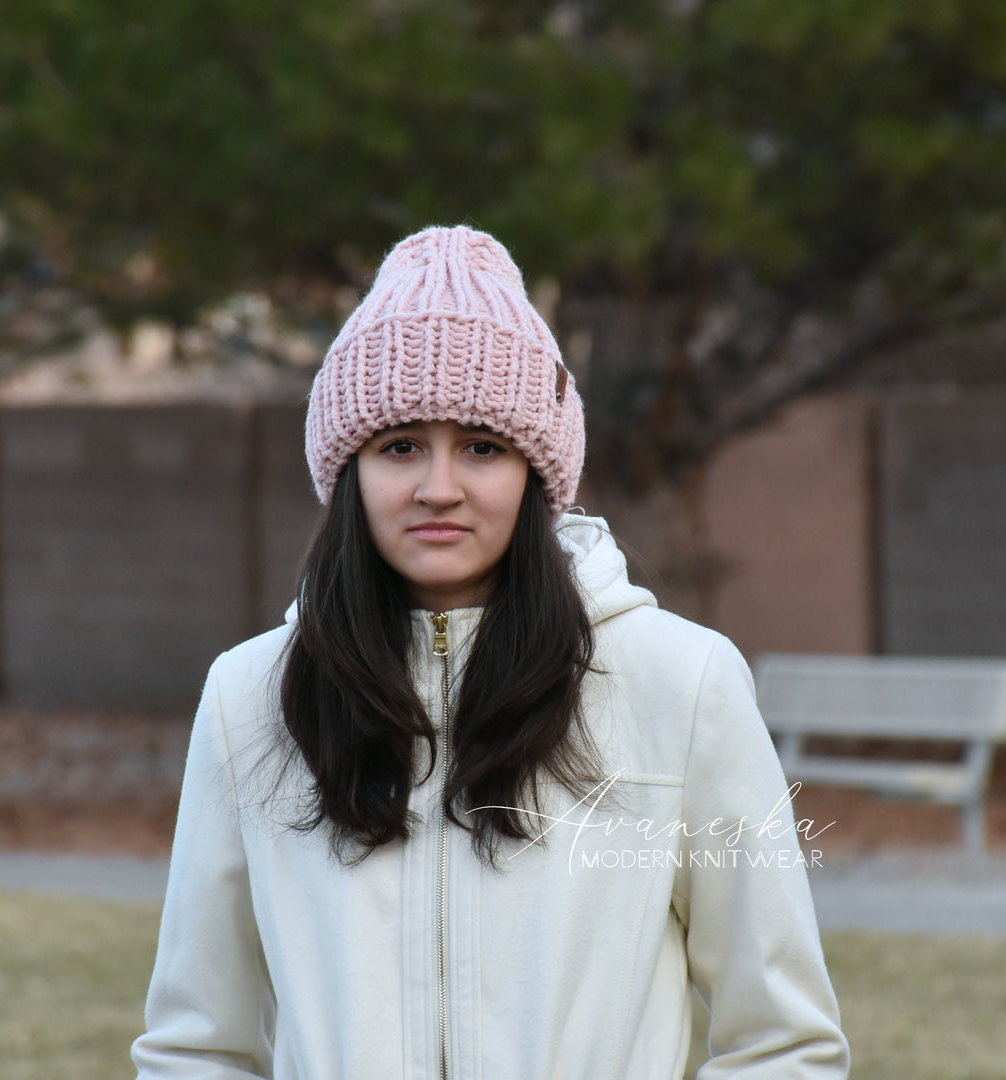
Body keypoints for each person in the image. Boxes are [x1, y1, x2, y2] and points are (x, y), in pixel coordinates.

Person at [132, 225, 849, 1079]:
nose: (440, 487)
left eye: (482, 446)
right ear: (348, 470)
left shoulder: (681, 681)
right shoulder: (249, 696)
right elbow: (196, 1047)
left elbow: (782, 1041)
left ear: (538, 475)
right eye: (400, 446)